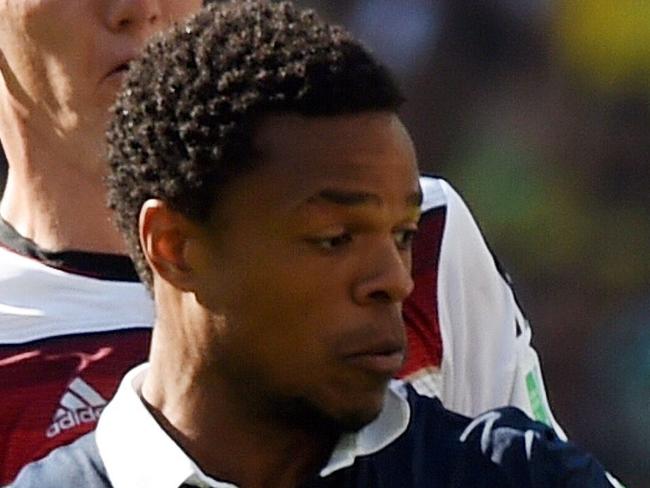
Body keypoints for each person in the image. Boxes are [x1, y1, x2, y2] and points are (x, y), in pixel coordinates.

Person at [11, 2, 614, 486]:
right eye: (332, 240)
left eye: (393, 237)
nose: (139, 8)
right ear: (171, 246)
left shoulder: (429, 239)